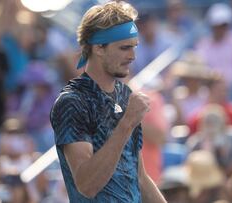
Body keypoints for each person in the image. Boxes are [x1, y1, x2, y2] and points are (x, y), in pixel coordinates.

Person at [50, 1, 166, 202]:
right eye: (124, 48)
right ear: (99, 48)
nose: (132, 56)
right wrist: (127, 122)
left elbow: (140, 177)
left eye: (134, 47)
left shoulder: (125, 95)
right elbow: (87, 185)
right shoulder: (72, 102)